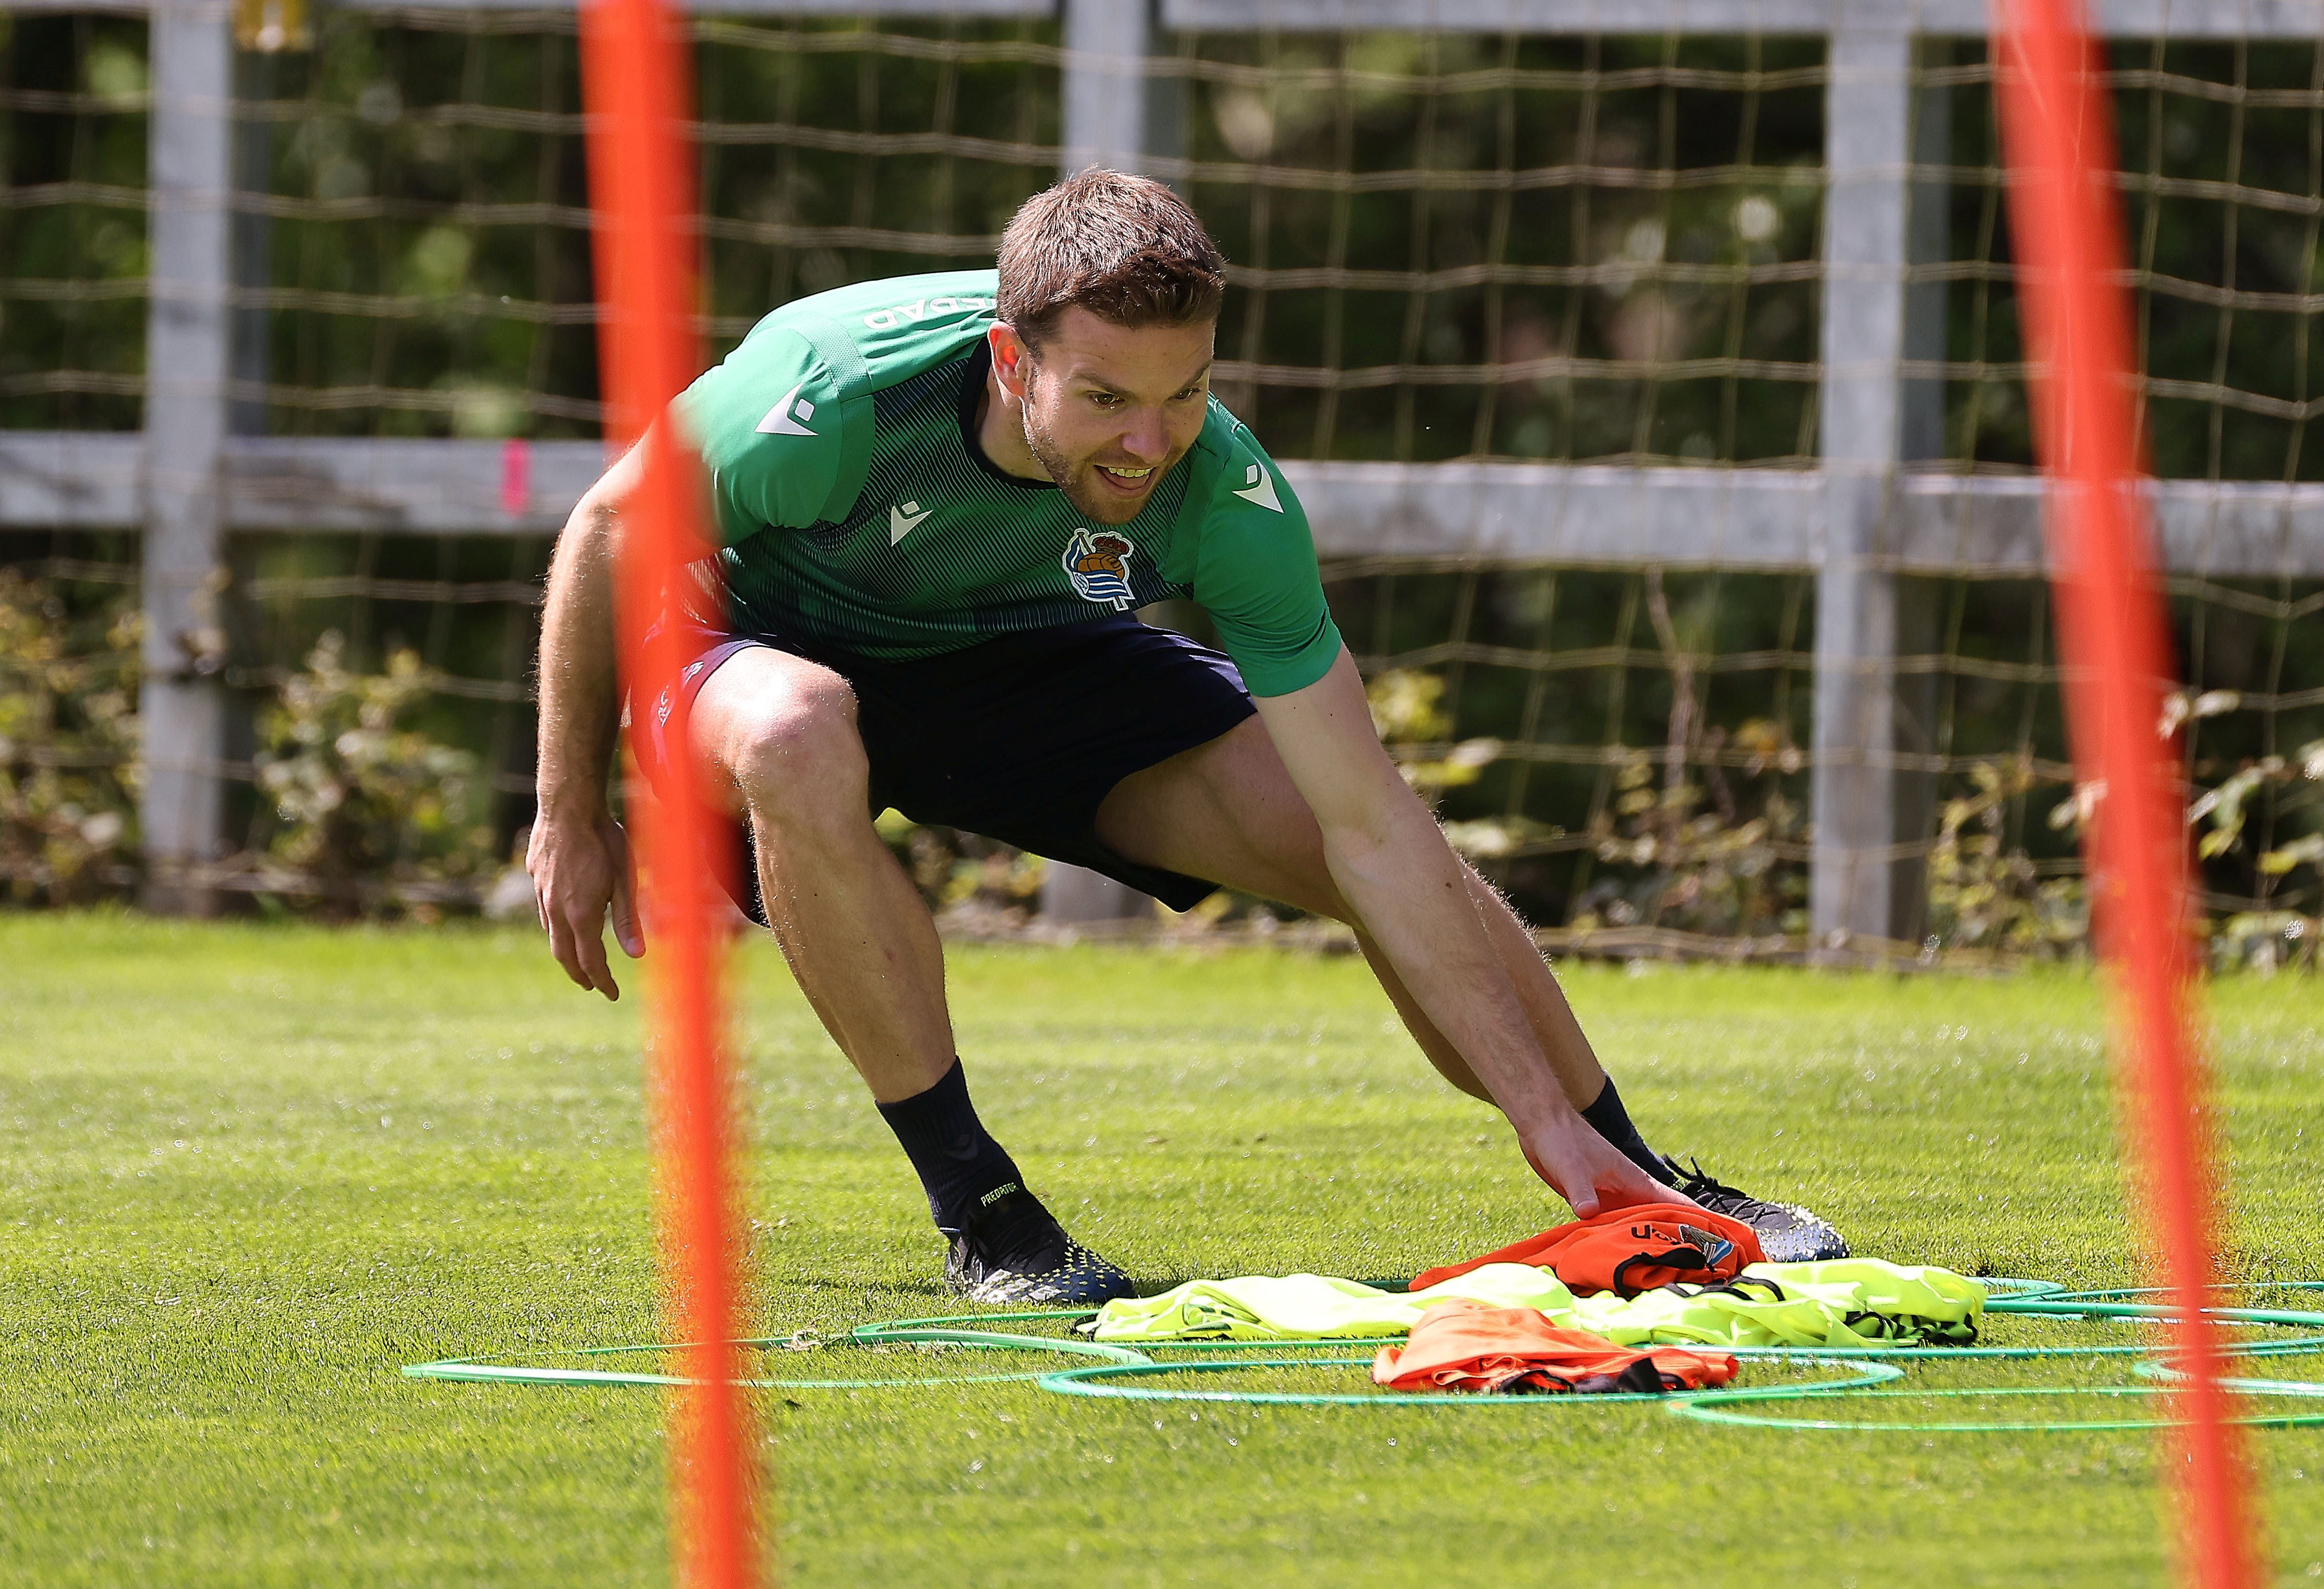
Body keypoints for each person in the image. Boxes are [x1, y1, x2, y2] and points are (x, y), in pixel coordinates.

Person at [527, 168, 1848, 1305]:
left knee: (1332, 822)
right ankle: (986, 1218)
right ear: (1011, 360)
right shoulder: (836, 397)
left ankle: (1636, 1180)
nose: (1149, 444)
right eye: (1104, 401)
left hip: (1009, 655)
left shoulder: (1223, 486)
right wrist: (569, 810)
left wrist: (1546, 1120)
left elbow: (1374, 824)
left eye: (1185, 396)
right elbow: (602, 529)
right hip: (744, 644)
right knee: (805, 725)